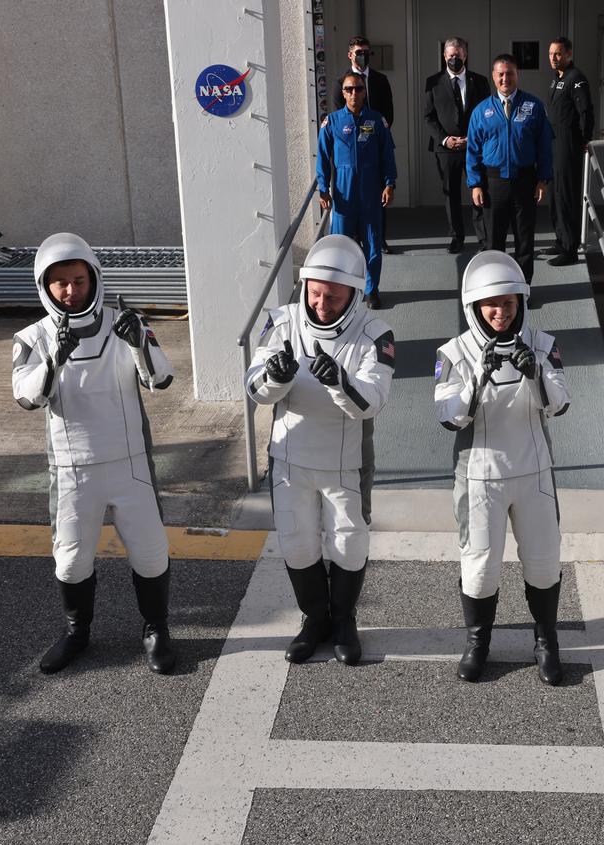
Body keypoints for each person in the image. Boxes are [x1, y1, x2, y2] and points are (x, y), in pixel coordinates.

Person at [12, 233, 177, 676]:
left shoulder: (126, 321)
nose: (70, 291)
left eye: (79, 280)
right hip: (72, 469)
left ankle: (156, 630)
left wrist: (139, 340)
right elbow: (26, 398)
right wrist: (54, 361)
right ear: (44, 286)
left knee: (150, 553)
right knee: (70, 560)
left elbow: (161, 379)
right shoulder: (32, 337)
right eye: (60, 283)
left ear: (94, 278)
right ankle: (76, 632)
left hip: (129, 462)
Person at [245, 234, 395, 666]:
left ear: (354, 293)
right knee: (296, 542)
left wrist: (339, 382)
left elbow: (373, 400)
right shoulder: (282, 320)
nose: (322, 304)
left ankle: (344, 619)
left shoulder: (375, 333)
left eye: (333, 296)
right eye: (315, 293)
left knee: (349, 542)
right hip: (290, 458)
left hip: (345, 462)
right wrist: (276, 376)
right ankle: (314, 620)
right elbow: (255, 388)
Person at [434, 250, 571, 685]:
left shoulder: (544, 344)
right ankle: (478, 643)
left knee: (544, 563)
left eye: (509, 303)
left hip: (534, 473)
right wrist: (478, 375)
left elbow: (561, 404)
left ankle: (547, 641)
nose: (500, 312)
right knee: (480, 565)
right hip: (479, 478)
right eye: (491, 304)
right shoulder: (453, 353)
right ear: (473, 306)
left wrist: (537, 374)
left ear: (520, 304)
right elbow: (449, 416)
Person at [466, 55, 553, 287]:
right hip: (493, 185)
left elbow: (544, 147)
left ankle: (523, 290)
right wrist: (475, 184)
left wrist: (543, 180)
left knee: (525, 241)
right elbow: (472, 151)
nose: (506, 78)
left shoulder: (533, 106)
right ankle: (497, 288)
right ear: (494, 77)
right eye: (501, 74)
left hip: (525, 181)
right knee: (494, 243)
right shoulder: (481, 111)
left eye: (510, 73)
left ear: (517, 75)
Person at [317, 70, 397, 310]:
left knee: (372, 245)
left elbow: (387, 156)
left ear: (364, 92)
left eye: (359, 89)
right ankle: (341, 291)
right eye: (349, 89)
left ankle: (372, 290)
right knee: (341, 245)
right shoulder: (331, 122)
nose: (354, 93)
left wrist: (390, 184)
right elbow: (322, 158)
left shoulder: (377, 121)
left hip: (371, 194)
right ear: (343, 93)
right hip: (343, 194)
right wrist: (323, 189)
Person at [330, 35, 398, 257]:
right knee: (350, 198)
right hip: (350, 149)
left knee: (380, 193)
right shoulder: (341, 83)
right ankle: (355, 239)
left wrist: (375, 129)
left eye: (367, 52)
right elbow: (339, 115)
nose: (363, 56)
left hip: (376, 145)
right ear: (350, 54)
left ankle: (379, 238)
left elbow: (388, 112)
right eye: (359, 52)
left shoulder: (380, 80)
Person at [422, 36, 490, 254]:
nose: (454, 59)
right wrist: (446, 139)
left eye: (458, 56)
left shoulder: (479, 81)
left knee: (479, 190)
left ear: (465, 56)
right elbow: (428, 116)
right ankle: (456, 238)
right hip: (446, 149)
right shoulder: (432, 82)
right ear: (444, 56)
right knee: (451, 194)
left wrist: (473, 137)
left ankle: (483, 239)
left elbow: (487, 114)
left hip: (474, 146)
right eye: (450, 56)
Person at [545, 37, 594, 267]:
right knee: (555, 195)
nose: (553, 58)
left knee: (566, 196)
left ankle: (570, 248)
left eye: (558, 54)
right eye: (551, 54)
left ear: (568, 55)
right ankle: (560, 239)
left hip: (568, 145)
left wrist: (584, 139)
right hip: (554, 145)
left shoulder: (576, 79)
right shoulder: (556, 80)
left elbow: (586, 111)